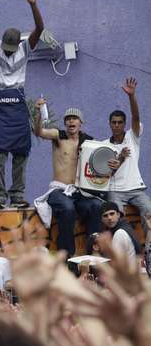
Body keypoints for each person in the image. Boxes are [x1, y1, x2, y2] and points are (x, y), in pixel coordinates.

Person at [0, 0, 45, 209]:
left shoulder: (26, 48)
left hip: (17, 103)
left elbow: (40, 28)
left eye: (12, 48)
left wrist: (34, 5)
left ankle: (17, 194)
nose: (7, 53)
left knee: (21, 151)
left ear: (19, 43)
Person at [34, 101, 103, 257]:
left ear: (81, 122)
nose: (71, 121)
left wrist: (118, 160)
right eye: (68, 119)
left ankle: (94, 252)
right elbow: (39, 132)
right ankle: (67, 255)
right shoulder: (58, 136)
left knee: (96, 206)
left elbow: (104, 160)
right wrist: (38, 112)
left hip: (79, 191)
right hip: (59, 189)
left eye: (74, 118)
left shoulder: (89, 142)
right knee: (67, 208)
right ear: (65, 122)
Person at [104, 77, 151, 233]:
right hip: (115, 190)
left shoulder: (133, 137)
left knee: (149, 211)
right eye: (114, 122)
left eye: (120, 122)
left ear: (124, 124)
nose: (117, 125)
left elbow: (136, 117)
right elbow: (105, 174)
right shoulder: (104, 145)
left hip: (135, 189)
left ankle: (149, 250)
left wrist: (131, 96)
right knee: (115, 220)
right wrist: (120, 158)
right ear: (109, 124)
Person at [100, 201, 142, 274]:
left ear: (118, 214)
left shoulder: (119, 233)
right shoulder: (125, 226)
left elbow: (116, 264)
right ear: (102, 219)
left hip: (127, 276)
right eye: (105, 216)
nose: (109, 218)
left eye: (112, 214)